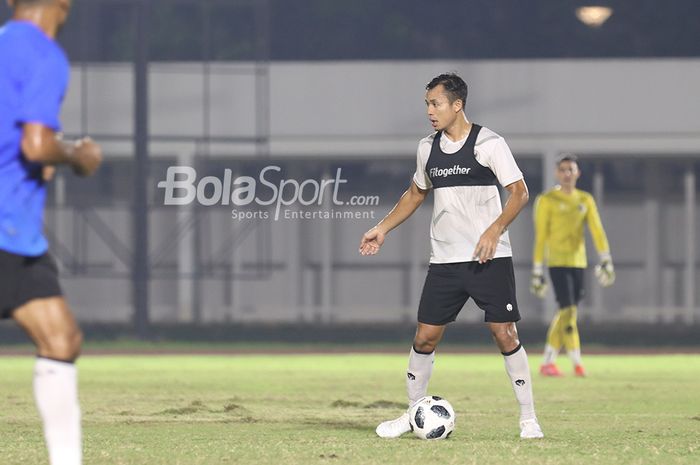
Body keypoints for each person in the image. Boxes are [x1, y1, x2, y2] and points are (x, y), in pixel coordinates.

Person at [359, 73, 543, 439]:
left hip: (489, 258)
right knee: (425, 337)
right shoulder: (427, 148)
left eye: (436, 103)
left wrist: (494, 230)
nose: (429, 111)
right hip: (444, 261)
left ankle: (528, 418)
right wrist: (382, 227)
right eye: (427, 104)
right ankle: (414, 414)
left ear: (457, 105)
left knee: (504, 333)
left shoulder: (489, 144)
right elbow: (415, 193)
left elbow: (519, 193)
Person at [0, 1, 102, 464]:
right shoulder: (43, 54)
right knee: (59, 341)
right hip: (5, 227)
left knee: (60, 339)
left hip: (18, 236)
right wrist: (76, 156)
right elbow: (36, 143)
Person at [530, 155, 614, 377]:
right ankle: (575, 361)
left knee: (569, 312)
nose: (567, 174)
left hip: (579, 262)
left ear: (578, 173)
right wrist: (537, 271)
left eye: (571, 170)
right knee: (567, 310)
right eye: (563, 170)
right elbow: (541, 237)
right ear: (557, 173)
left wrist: (606, 259)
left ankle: (550, 361)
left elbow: (597, 230)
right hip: (557, 262)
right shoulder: (547, 200)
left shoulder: (584, 200)